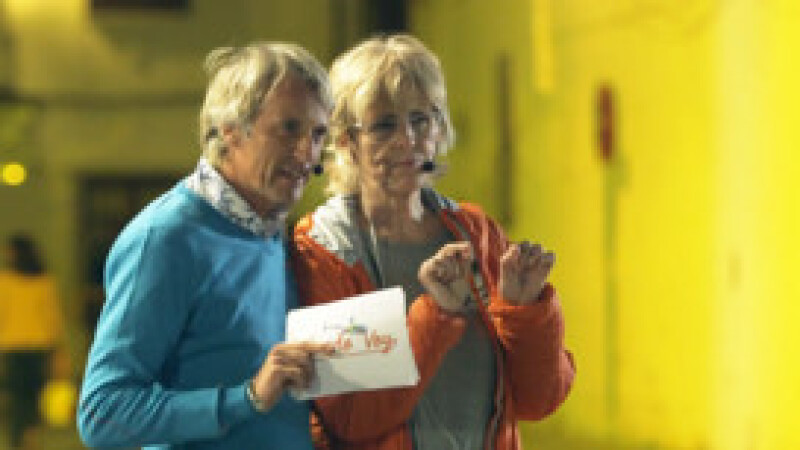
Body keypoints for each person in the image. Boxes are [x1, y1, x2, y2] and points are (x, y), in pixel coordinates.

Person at [291, 34, 576, 450]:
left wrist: (525, 311)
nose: (407, 139)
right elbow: (349, 419)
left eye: (420, 120)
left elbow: (539, 400)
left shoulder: (477, 234)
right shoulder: (324, 250)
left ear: (439, 126)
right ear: (345, 141)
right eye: (384, 125)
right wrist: (436, 316)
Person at [77, 42, 334, 450]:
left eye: (318, 134)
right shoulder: (165, 239)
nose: (309, 154)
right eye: (289, 129)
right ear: (230, 128)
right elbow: (103, 414)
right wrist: (246, 399)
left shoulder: (277, 234)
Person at [0, 234, 66, 450]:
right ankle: (30, 437)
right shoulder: (44, 282)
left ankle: (20, 439)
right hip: (38, 348)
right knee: (33, 394)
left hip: (13, 348)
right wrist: (58, 350)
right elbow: (53, 319)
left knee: (17, 396)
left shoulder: (5, 281)